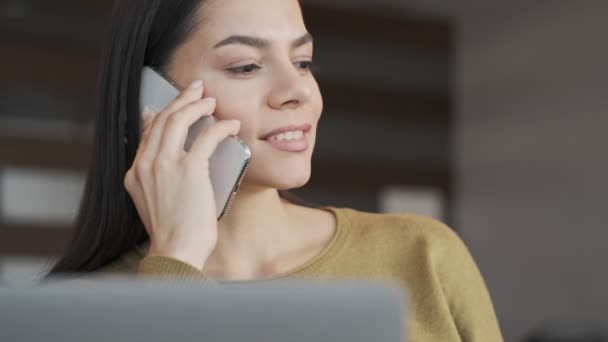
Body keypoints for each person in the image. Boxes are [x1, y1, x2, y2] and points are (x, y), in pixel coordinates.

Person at [48, 0, 503, 340]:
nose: (297, 90)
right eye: (246, 66)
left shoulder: (422, 253)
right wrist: (177, 264)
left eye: (302, 62)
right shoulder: (74, 316)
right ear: (154, 98)